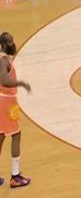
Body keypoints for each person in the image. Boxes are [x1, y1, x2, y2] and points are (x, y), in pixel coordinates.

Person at [0, 32, 31, 188]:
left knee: (0, 136)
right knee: (16, 135)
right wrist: (21, 83)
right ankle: (15, 176)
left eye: (12, 40)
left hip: (2, 100)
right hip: (6, 101)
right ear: (4, 44)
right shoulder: (4, 60)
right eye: (9, 42)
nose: (12, 44)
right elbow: (4, 80)